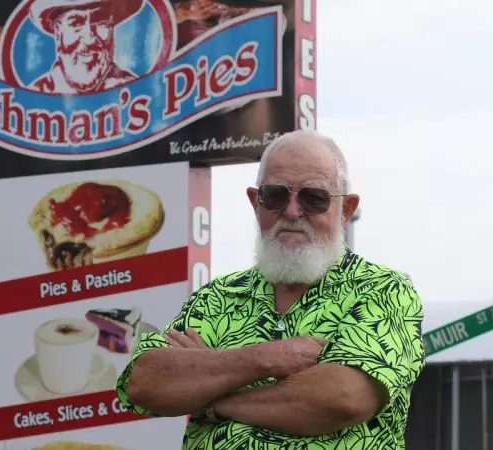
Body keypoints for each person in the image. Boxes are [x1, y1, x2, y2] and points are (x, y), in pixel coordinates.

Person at [115, 129, 425, 449]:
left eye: (314, 198)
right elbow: (144, 381)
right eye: (276, 195)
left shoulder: (383, 291)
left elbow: (343, 398)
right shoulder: (217, 297)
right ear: (255, 202)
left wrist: (212, 400)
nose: (292, 212)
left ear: (345, 210)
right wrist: (269, 357)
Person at [27, 0, 141, 94]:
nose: (89, 39)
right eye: (76, 24)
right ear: (58, 32)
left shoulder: (135, 90)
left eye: (101, 21)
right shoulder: (35, 94)